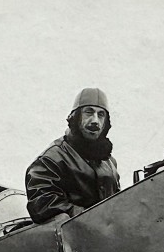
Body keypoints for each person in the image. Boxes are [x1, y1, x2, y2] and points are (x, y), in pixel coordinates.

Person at [25, 87, 121, 224]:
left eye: (101, 115)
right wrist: (93, 218)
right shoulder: (50, 160)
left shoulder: (110, 163)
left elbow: (118, 202)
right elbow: (43, 205)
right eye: (89, 112)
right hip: (74, 235)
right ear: (75, 117)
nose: (95, 120)